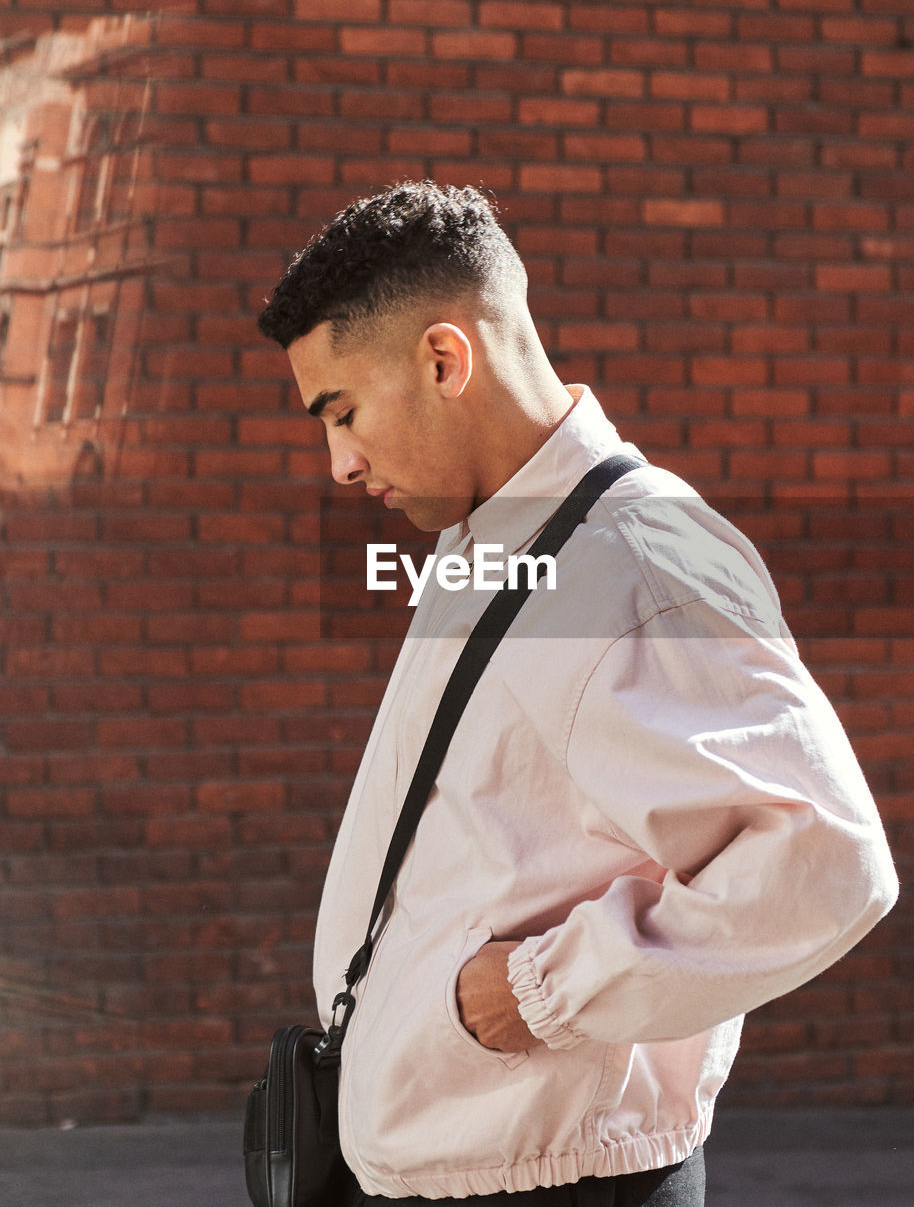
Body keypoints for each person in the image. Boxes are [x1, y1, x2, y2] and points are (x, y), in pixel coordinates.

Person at [257, 181, 898, 1206]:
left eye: (342, 412)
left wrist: (533, 993)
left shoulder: (637, 567)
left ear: (441, 358)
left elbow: (823, 860)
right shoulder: (486, 537)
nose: (338, 462)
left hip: (550, 1181)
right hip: (459, 1163)